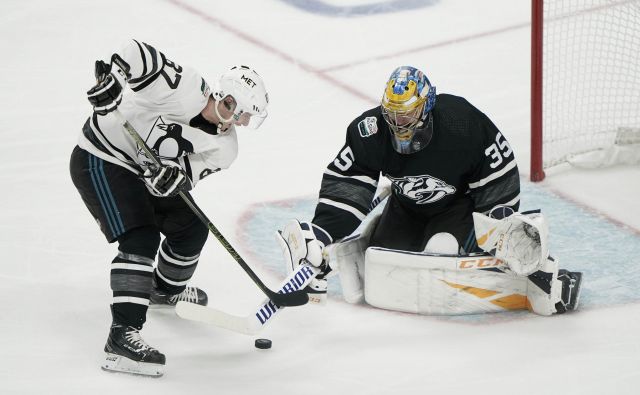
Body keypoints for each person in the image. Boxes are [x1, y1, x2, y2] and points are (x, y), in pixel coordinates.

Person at [277, 65, 582, 316]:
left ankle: (517, 283)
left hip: (456, 208)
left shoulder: (462, 123)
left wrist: (497, 231)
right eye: (392, 113)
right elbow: (348, 185)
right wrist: (322, 234)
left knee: (440, 253)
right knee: (383, 265)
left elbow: (498, 175)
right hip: (405, 207)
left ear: (427, 105)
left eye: (407, 114)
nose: (398, 123)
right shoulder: (370, 131)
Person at [69, 39, 269, 377]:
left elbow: (181, 179)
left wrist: (172, 177)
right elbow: (134, 51)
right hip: (100, 157)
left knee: (191, 225)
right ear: (230, 102)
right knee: (141, 237)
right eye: (245, 113)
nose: (245, 122)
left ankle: (163, 289)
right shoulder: (185, 87)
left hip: (138, 173)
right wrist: (114, 78)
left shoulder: (225, 149)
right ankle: (121, 338)